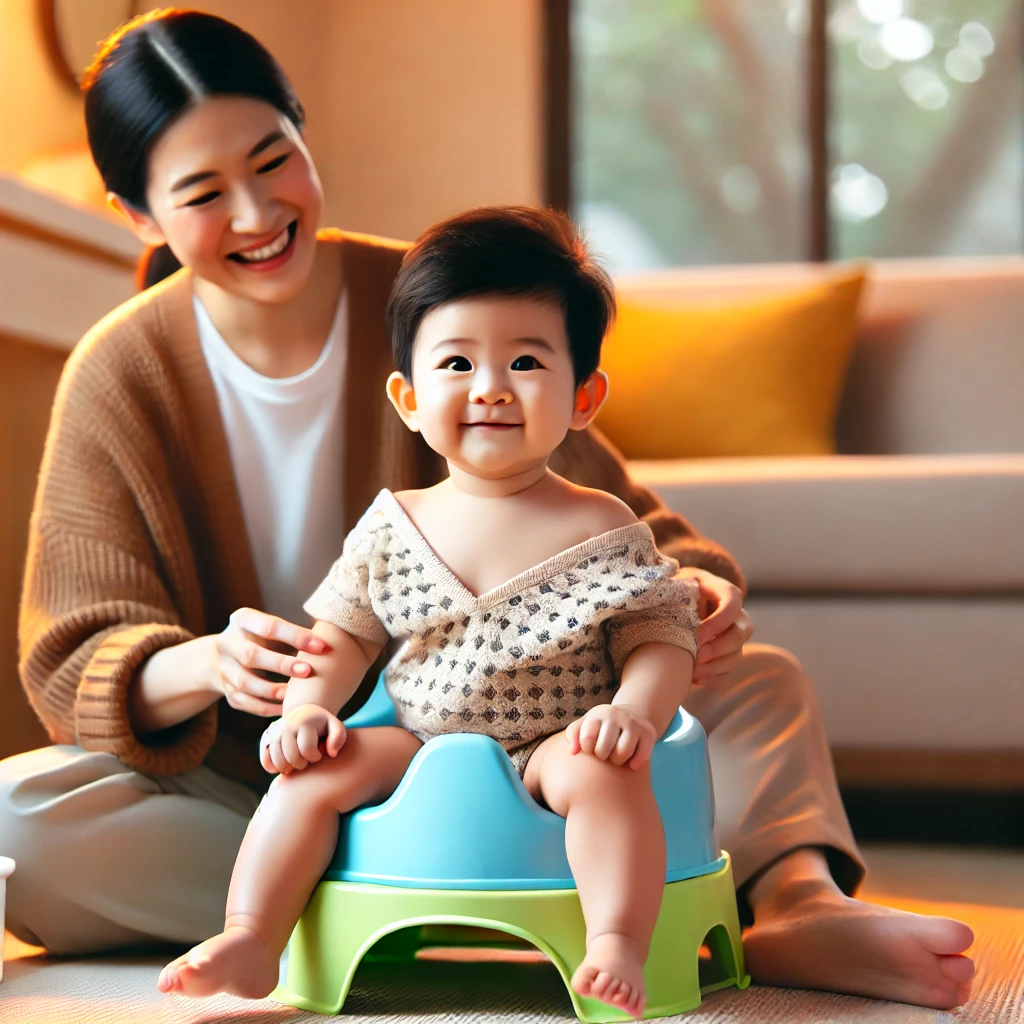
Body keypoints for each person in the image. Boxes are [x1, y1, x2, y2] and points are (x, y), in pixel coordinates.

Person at [0, 8, 975, 1012]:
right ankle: (344, 898)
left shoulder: (440, 300)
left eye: (272, 159)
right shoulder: (120, 369)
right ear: (138, 215)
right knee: (19, 816)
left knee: (762, 680)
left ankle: (796, 904)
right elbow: (73, 660)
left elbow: (634, 531)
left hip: (555, 747)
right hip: (290, 767)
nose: (255, 213)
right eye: (204, 193)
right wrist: (212, 664)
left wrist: (695, 594)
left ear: (302, 132)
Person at [158, 206, 703, 1016]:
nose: (490, 387)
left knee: (606, 776)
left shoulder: (601, 525)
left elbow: (660, 634)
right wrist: (306, 710)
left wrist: (632, 712)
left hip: (552, 744)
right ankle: (251, 935)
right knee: (311, 778)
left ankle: (615, 941)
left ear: (584, 397)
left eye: (526, 361)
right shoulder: (394, 525)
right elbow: (341, 637)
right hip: (417, 740)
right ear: (409, 398)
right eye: (456, 363)